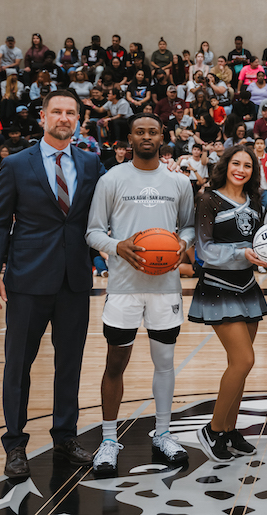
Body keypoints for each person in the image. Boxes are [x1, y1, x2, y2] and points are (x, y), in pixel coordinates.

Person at [0, 90, 105, 478]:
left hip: (74, 279)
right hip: (27, 280)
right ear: (43, 117)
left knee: (69, 364)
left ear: (79, 120)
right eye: (57, 111)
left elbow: (100, 217)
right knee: (18, 365)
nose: (64, 118)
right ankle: (15, 444)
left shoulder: (90, 163)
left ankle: (65, 436)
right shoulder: (17, 164)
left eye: (71, 112)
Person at [85, 113, 194, 475]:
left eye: (153, 131)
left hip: (165, 289)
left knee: (165, 362)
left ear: (162, 136)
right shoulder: (111, 179)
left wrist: (183, 244)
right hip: (123, 287)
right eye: (140, 132)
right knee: (115, 363)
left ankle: (163, 433)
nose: (147, 136)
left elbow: (190, 227)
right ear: (129, 138)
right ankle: (108, 439)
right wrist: (118, 247)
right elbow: (94, 232)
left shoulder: (179, 183)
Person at [186, 143, 267, 460]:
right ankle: (212, 429)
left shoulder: (256, 201)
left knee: (239, 366)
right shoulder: (207, 199)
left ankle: (230, 431)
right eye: (236, 163)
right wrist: (242, 253)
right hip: (219, 288)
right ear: (226, 165)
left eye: (247, 166)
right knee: (244, 360)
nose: (241, 170)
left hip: (248, 286)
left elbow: (260, 243)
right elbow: (205, 251)